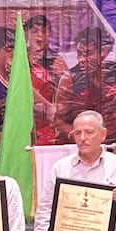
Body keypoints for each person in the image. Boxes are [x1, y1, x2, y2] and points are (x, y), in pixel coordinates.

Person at [25, 14, 67, 146]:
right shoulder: (17, 58)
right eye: (34, 31)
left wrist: (59, 77)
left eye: (44, 31)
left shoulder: (57, 61)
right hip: (21, 117)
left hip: (46, 123)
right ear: (27, 34)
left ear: (49, 34)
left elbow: (65, 94)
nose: (39, 36)